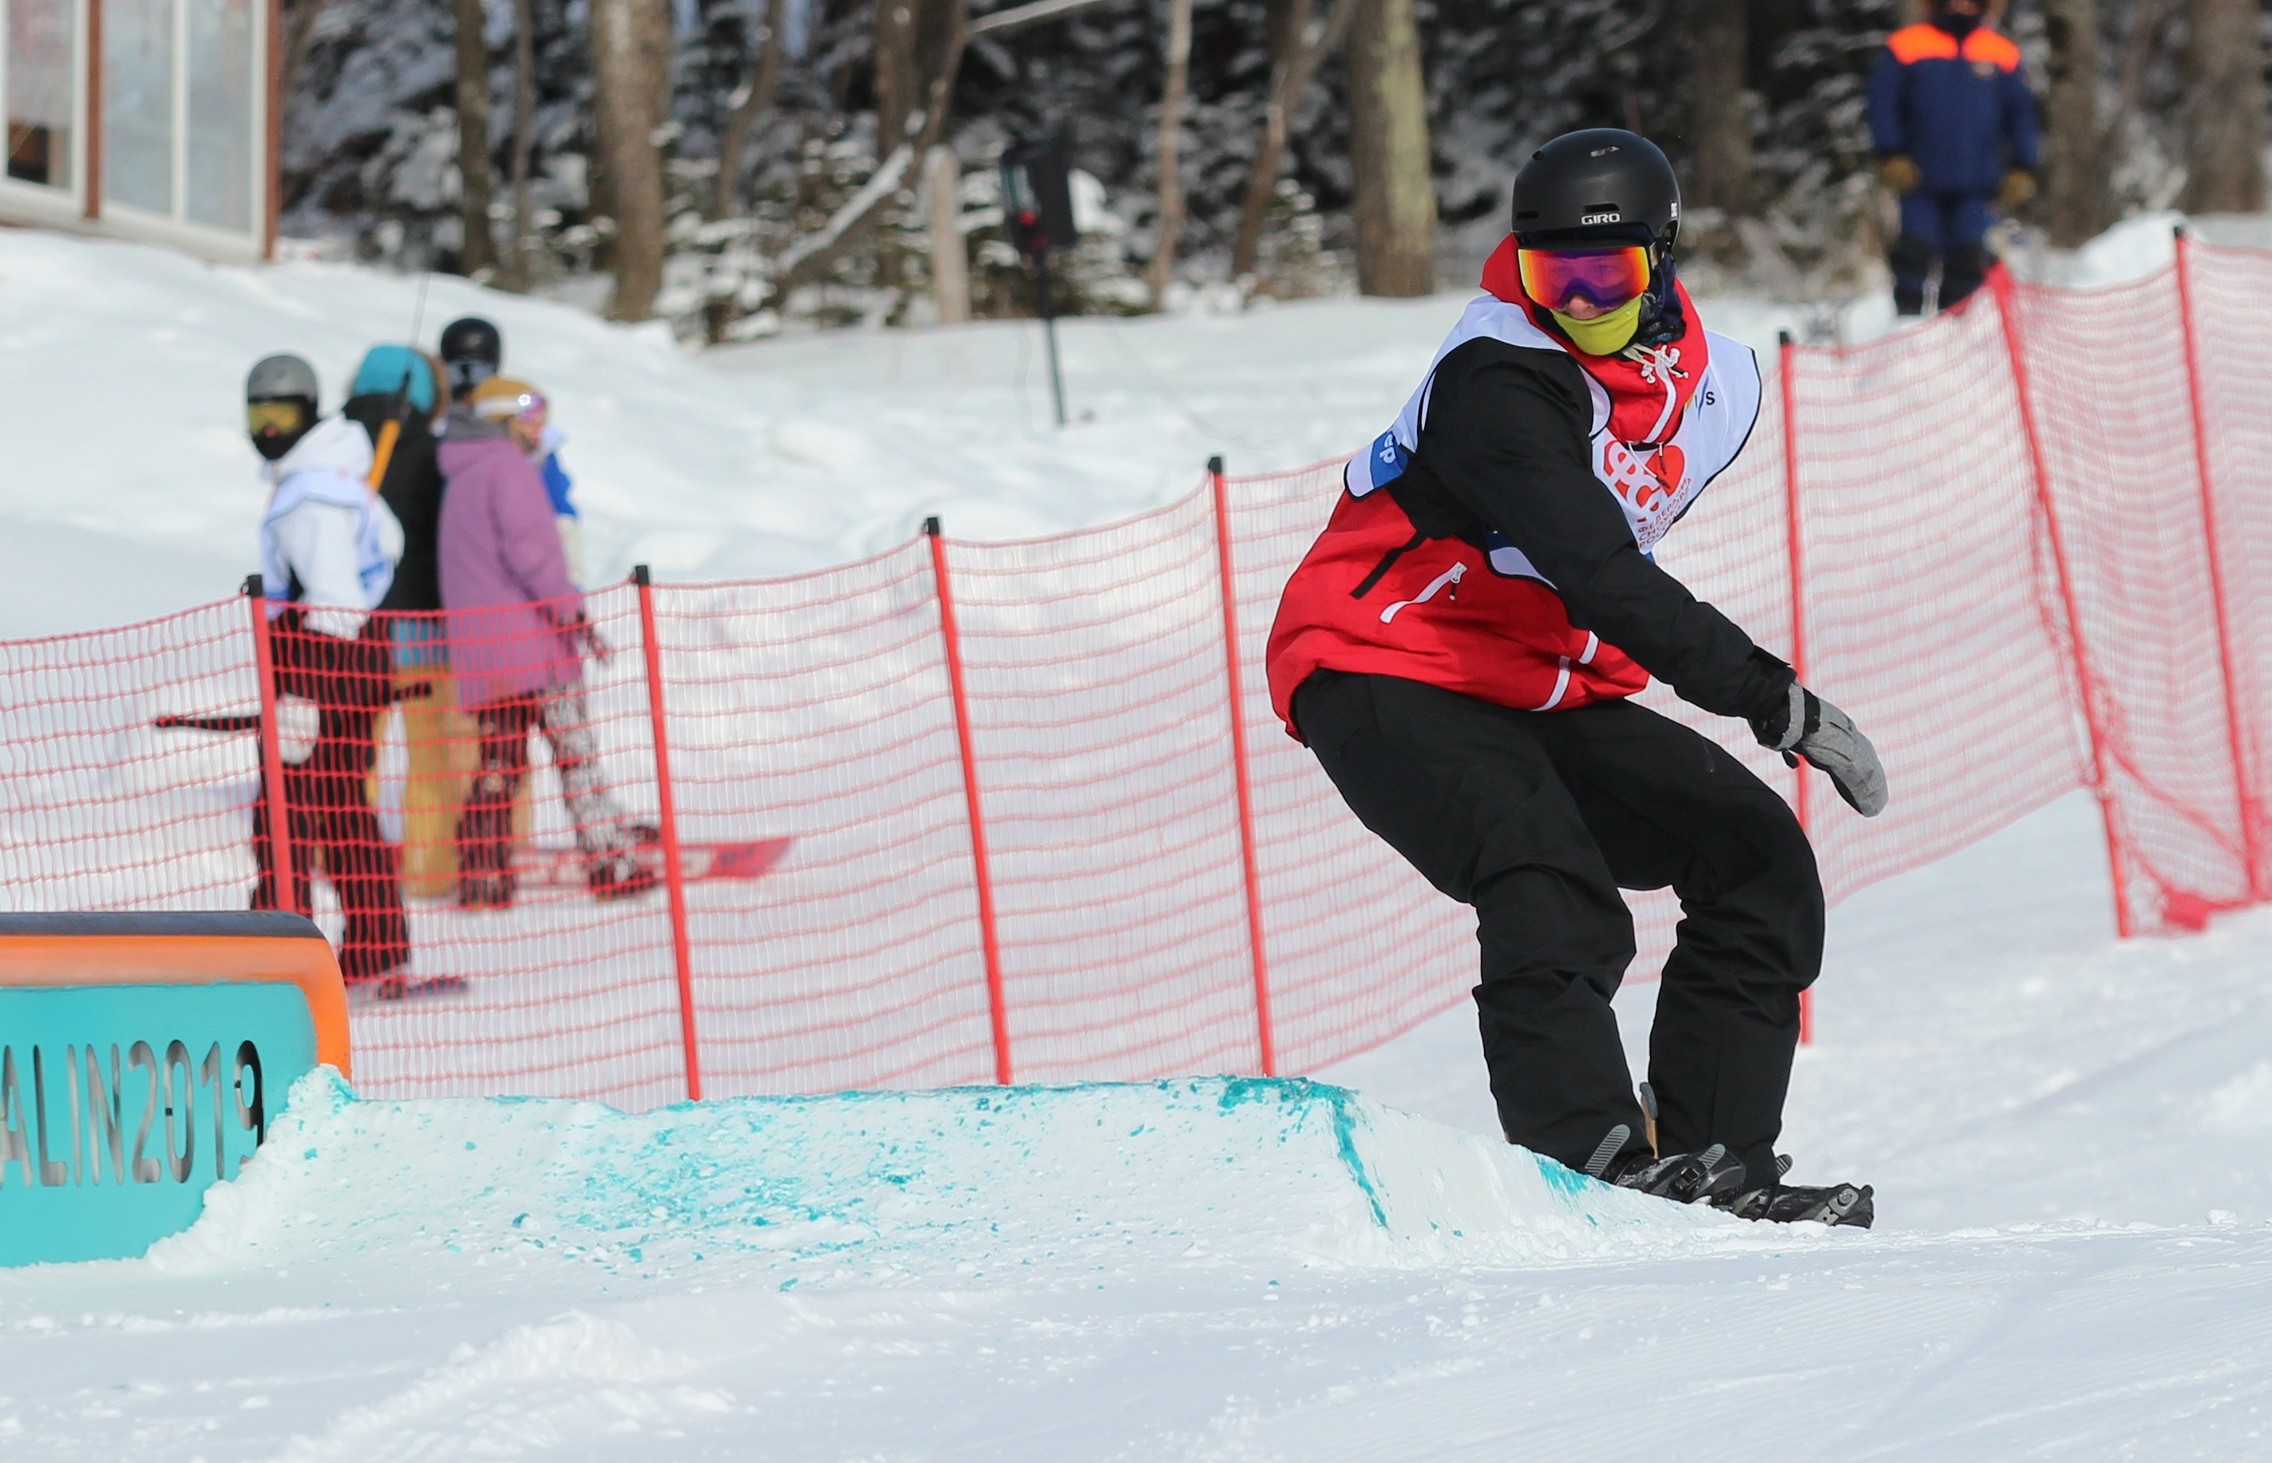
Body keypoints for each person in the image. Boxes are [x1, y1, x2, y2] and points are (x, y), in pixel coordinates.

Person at [1263, 130, 1888, 1226]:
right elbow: (1597, 568)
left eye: (1609, 275)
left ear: (1662, 257)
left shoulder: (1709, 378)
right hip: (1379, 661)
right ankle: (1585, 1164)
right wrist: (1766, 693)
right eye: (1557, 276)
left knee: (1755, 853)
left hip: (1530, 671)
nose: (1583, 300)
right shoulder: (1496, 379)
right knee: (1544, 872)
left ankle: (1717, 1158)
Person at [437, 375, 653, 907]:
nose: (539, 431)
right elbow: (533, 552)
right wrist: (570, 613)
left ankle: (482, 875)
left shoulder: (460, 476)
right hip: (534, 647)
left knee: (498, 765)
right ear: (505, 420)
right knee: (577, 757)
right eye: (532, 419)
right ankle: (610, 863)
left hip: (485, 656)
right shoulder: (508, 471)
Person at [246, 353, 415, 991]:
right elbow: (388, 548)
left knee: (282, 818)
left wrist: (303, 693)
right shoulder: (337, 477)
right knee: (342, 805)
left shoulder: (311, 497)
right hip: (357, 663)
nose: (269, 428)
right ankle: (376, 946)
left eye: (282, 413)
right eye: (259, 413)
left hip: (323, 666)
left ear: (310, 413)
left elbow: (337, 600)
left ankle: (274, 962)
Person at [1867, 0, 2040, 315]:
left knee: (1968, 257)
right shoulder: (1908, 45)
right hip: (1919, 178)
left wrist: (2023, 166)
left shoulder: (2001, 52)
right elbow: (1883, 104)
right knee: (1913, 254)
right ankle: (1906, 326)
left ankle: (1955, 330)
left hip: (1979, 182)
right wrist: (1890, 153)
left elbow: (2022, 115)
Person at [438, 315, 586, 582]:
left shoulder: (525, 436)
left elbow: (558, 512)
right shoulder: (439, 430)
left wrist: (568, 587)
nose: (468, 384)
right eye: (458, 371)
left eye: (479, 371)